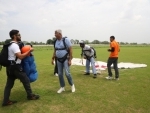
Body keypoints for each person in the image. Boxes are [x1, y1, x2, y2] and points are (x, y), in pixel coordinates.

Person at [2, 30, 39, 107]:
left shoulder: (10, 45)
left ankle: (5, 101)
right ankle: (30, 95)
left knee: (9, 85)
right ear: (14, 36)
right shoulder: (14, 45)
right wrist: (29, 50)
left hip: (10, 68)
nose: (20, 36)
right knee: (26, 80)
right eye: (19, 35)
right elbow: (20, 56)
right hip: (15, 67)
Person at [51, 29, 75, 93]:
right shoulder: (56, 41)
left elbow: (70, 49)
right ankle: (62, 87)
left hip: (65, 59)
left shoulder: (66, 40)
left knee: (67, 73)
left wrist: (70, 59)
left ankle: (72, 85)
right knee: (60, 74)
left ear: (60, 34)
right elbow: (55, 50)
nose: (55, 35)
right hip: (58, 60)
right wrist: (52, 58)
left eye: (56, 33)